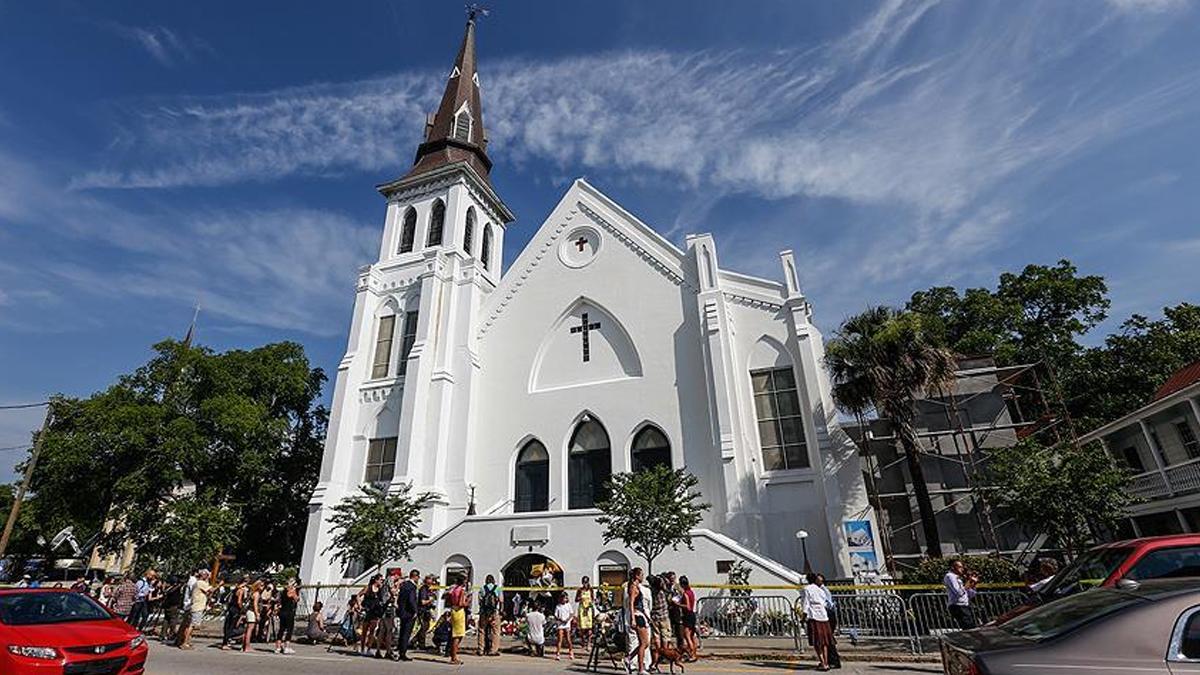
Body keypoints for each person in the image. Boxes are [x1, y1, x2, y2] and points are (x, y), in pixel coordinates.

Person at [802, 573, 834, 671]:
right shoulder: (821, 590)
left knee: (817, 642)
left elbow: (806, 604)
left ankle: (822, 662)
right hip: (823, 617)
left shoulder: (807, 589)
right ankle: (826, 662)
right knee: (824, 642)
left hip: (814, 616)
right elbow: (825, 603)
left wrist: (803, 616)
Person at [180, 570, 214, 650]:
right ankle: (185, 642)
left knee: (191, 625)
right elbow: (211, 590)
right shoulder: (200, 583)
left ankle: (187, 641)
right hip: (197, 606)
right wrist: (219, 585)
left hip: (197, 606)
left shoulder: (200, 583)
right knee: (192, 626)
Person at [626, 567, 652, 675]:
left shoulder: (638, 587)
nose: (642, 577)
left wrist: (647, 616)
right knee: (643, 643)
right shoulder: (633, 587)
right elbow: (631, 603)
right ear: (636, 576)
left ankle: (629, 658)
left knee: (645, 643)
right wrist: (632, 618)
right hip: (637, 616)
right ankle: (641, 668)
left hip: (641, 614)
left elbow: (641, 605)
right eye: (641, 574)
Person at [944, 560, 978, 630]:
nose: (962, 569)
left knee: (972, 627)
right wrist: (968, 582)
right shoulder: (950, 576)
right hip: (958, 606)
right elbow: (958, 592)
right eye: (960, 567)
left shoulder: (959, 578)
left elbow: (971, 594)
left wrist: (973, 584)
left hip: (965, 605)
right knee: (969, 628)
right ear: (953, 567)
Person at [816, 574, 841, 670]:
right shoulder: (820, 590)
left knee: (828, 639)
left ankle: (834, 661)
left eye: (818, 580)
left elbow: (827, 603)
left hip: (828, 615)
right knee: (827, 639)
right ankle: (829, 660)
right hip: (827, 615)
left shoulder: (822, 590)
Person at [396, 569, 420, 661]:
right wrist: (415, 611)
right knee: (406, 633)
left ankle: (400, 651)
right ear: (415, 576)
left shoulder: (404, 585)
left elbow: (400, 599)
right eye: (418, 577)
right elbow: (411, 600)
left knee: (402, 632)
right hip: (409, 613)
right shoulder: (412, 587)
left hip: (403, 612)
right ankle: (403, 653)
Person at [477, 574, 503, 656]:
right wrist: (500, 611)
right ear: (493, 580)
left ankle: (481, 649)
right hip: (494, 612)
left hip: (484, 613)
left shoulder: (482, 589)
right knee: (496, 631)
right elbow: (501, 601)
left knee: (482, 630)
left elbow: (480, 601)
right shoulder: (498, 588)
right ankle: (493, 650)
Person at [221, 576, 249, 650]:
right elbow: (239, 601)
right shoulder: (241, 590)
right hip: (236, 609)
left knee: (228, 625)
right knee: (233, 626)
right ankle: (227, 641)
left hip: (230, 608)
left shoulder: (235, 589)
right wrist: (242, 609)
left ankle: (225, 642)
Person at [446, 575, 469, 665]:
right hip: (459, 611)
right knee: (458, 635)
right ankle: (454, 657)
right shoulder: (462, 590)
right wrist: (467, 602)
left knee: (455, 634)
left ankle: (453, 655)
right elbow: (461, 603)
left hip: (453, 610)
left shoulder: (454, 589)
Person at [358, 574, 383, 656]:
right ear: (376, 580)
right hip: (367, 610)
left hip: (375, 612)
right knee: (364, 630)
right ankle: (362, 648)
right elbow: (358, 595)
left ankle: (369, 648)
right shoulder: (368, 588)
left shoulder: (380, 590)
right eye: (380, 580)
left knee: (372, 630)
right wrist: (360, 606)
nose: (381, 581)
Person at [374, 571, 397, 659]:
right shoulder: (390, 581)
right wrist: (397, 586)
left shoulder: (384, 583)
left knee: (382, 630)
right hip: (388, 609)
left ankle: (378, 650)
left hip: (383, 609)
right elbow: (393, 592)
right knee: (389, 631)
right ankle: (388, 651)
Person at [275, 577, 300, 655]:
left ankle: (278, 647)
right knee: (289, 629)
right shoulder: (292, 591)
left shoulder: (283, 591)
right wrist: (294, 590)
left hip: (282, 612)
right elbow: (296, 599)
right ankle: (286, 647)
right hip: (289, 612)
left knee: (281, 629)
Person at [413, 575, 436, 651]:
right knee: (423, 627)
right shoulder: (423, 589)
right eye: (431, 580)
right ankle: (421, 644)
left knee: (426, 627)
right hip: (422, 611)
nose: (433, 582)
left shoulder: (428, 589)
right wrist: (430, 600)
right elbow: (422, 602)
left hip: (426, 611)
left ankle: (414, 641)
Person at [678, 575, 699, 661]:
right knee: (692, 635)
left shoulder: (686, 593)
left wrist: (678, 604)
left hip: (688, 615)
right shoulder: (691, 592)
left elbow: (688, 606)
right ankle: (694, 653)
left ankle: (691, 654)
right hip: (692, 615)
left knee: (687, 636)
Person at [575, 576, 596, 654]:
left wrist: (591, 604)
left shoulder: (591, 590)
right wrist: (580, 598)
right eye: (584, 582)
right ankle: (583, 642)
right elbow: (576, 600)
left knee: (589, 627)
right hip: (582, 609)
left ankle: (589, 643)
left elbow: (593, 599)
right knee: (582, 627)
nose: (585, 584)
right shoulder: (580, 590)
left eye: (586, 582)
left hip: (589, 609)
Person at [553, 591, 576, 661]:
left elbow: (571, 613)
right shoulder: (558, 606)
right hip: (560, 624)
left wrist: (568, 619)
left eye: (565, 598)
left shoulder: (568, 605)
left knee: (568, 639)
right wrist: (560, 619)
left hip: (567, 624)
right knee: (560, 639)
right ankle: (558, 653)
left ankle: (571, 652)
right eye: (563, 598)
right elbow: (556, 615)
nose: (564, 600)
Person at [243, 579, 263, 652]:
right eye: (261, 585)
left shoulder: (252, 593)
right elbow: (255, 604)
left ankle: (244, 646)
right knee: (250, 629)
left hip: (249, 611)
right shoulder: (256, 594)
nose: (262, 587)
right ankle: (247, 647)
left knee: (248, 629)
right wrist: (257, 613)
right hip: (252, 612)